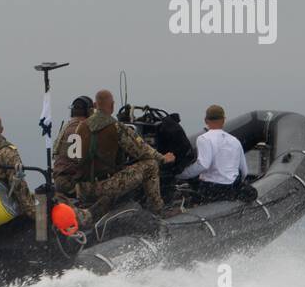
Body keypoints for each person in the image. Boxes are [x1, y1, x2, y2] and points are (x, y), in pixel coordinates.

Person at [73, 90, 178, 218]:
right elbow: (141, 151)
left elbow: (74, 159)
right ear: (112, 106)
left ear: (95, 105)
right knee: (151, 165)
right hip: (103, 187)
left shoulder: (80, 127)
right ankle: (158, 210)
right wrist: (163, 158)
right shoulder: (115, 126)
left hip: (82, 189)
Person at [178, 104, 249, 201]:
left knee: (191, 179)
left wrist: (182, 175)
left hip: (213, 189)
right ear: (224, 120)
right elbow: (244, 171)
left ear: (206, 120)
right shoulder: (235, 141)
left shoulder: (204, 138)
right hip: (232, 187)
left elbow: (203, 165)